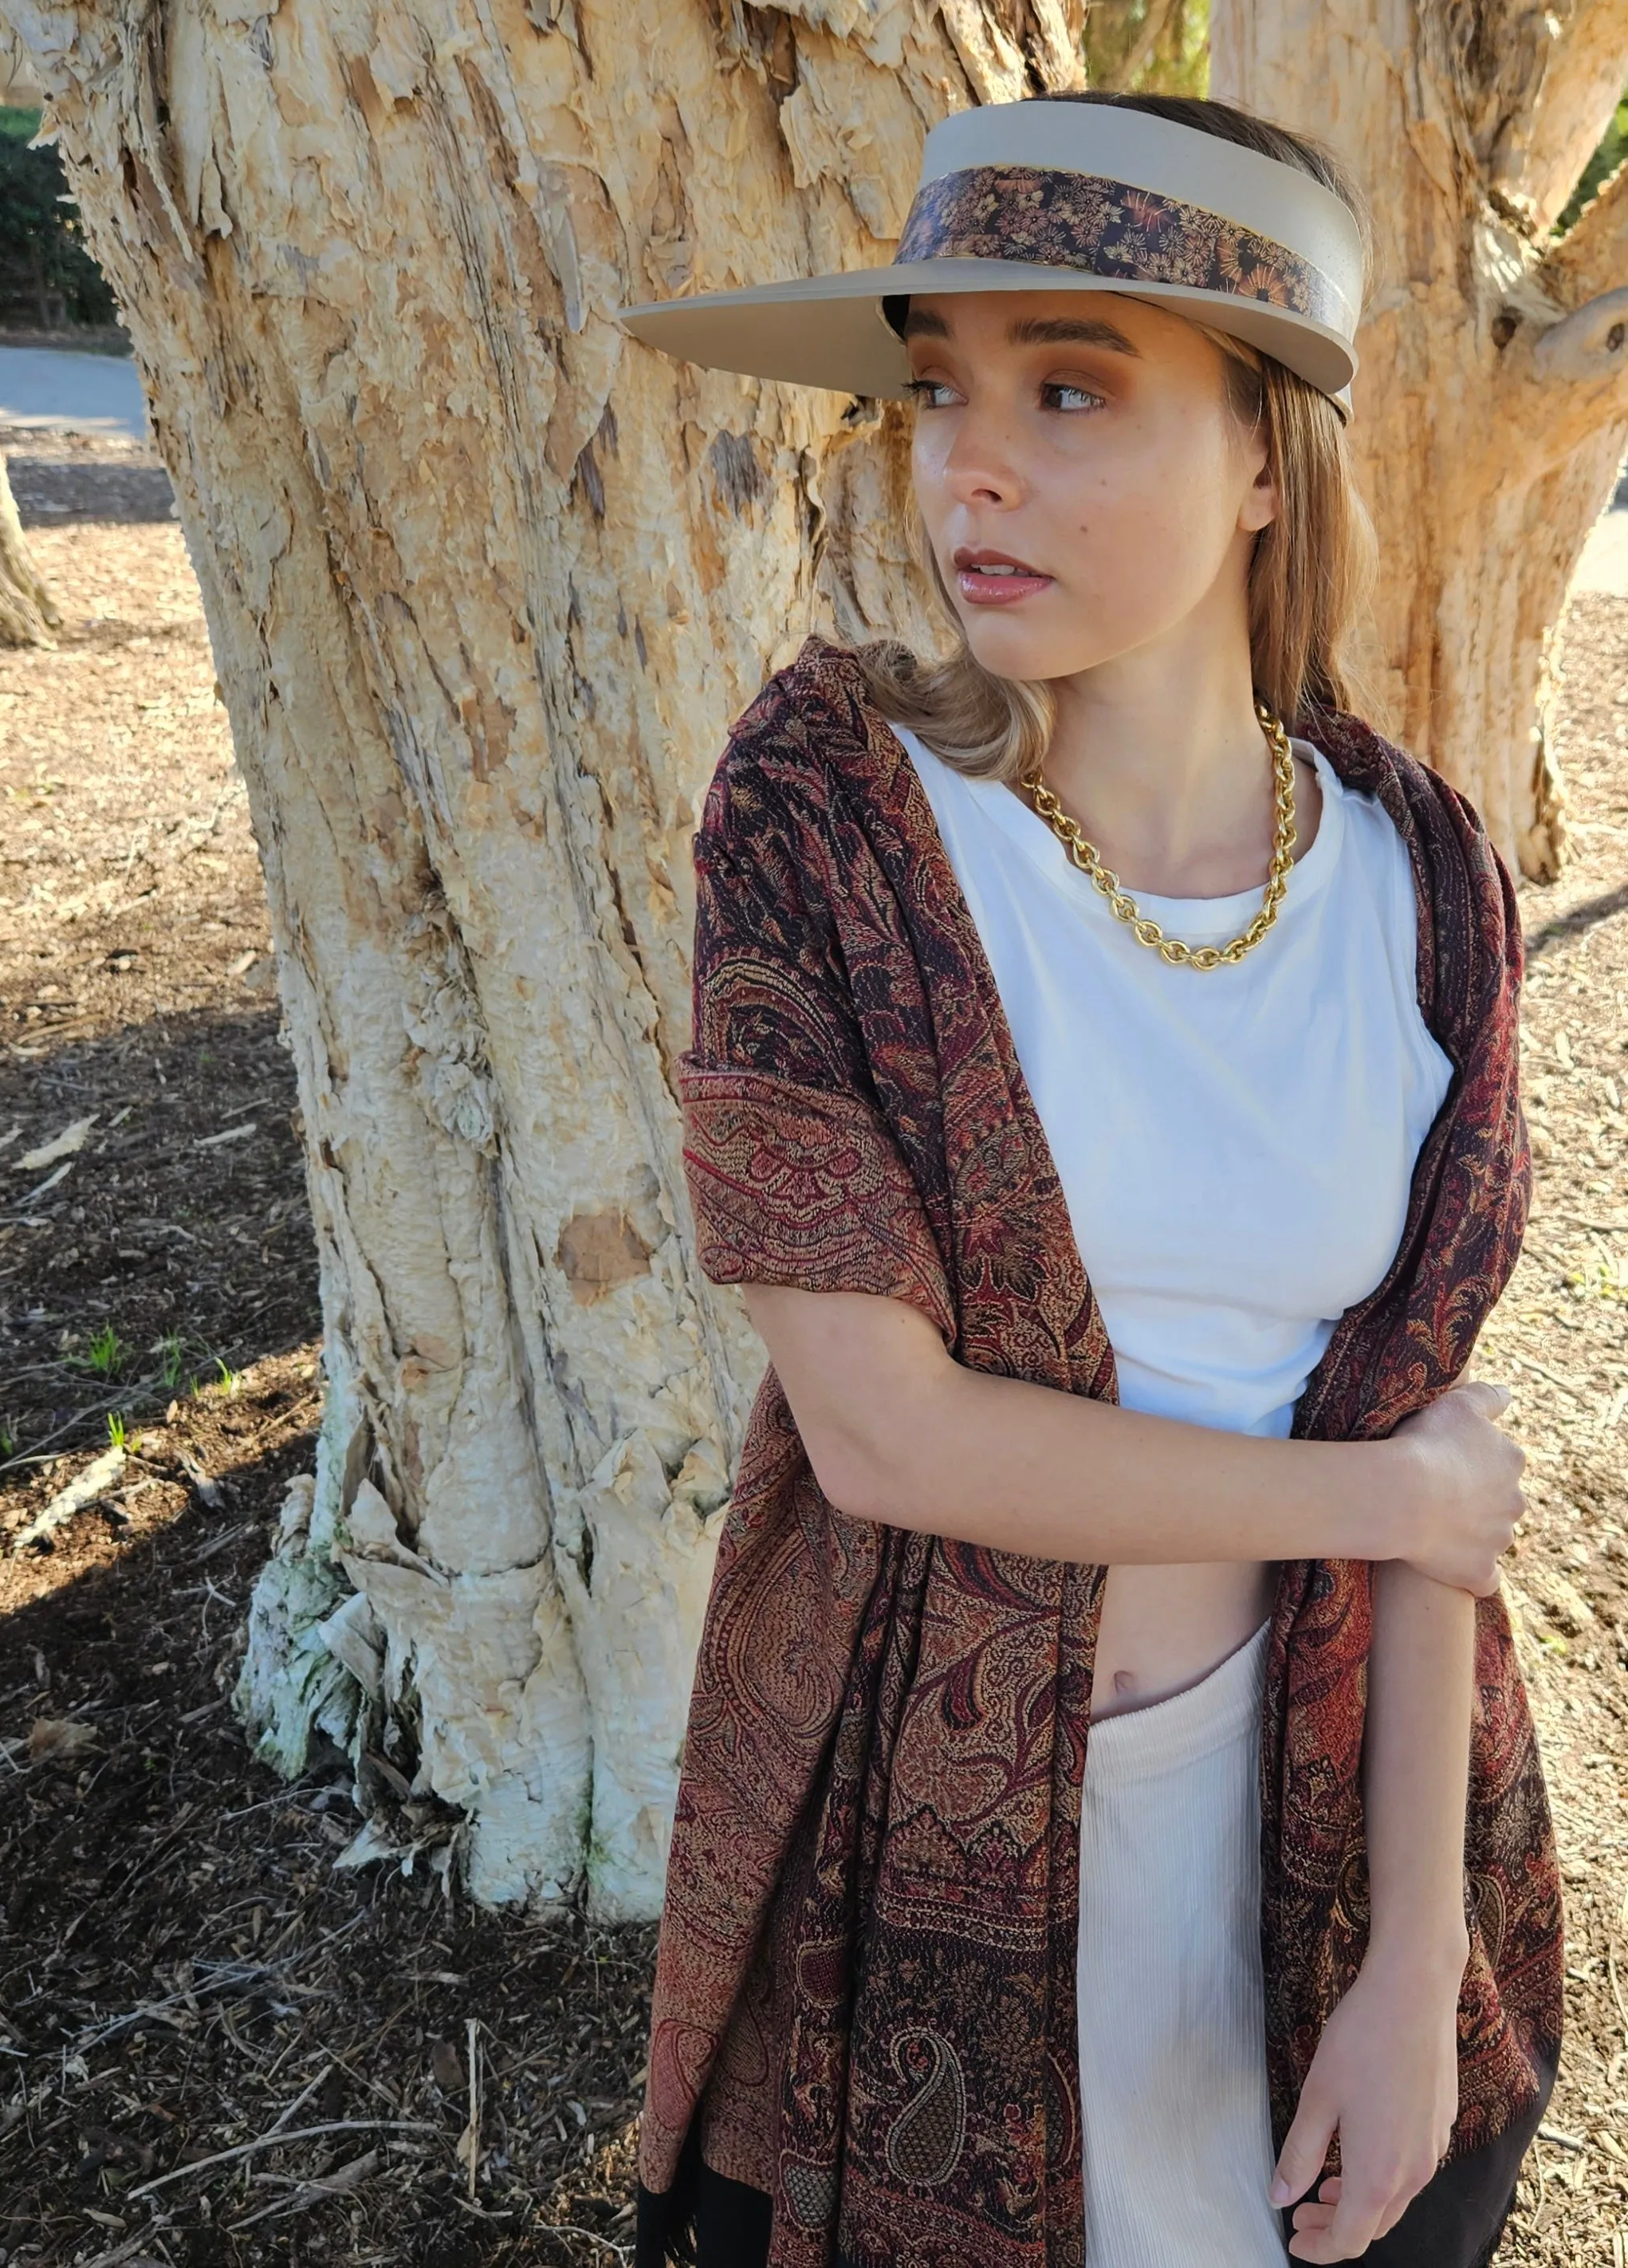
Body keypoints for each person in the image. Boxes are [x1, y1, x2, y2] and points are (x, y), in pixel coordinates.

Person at [616, 90, 1562, 2268]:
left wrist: (1413, 1959)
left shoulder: (1418, 880)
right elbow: (886, 1433)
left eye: (1069, 386)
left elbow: (1428, 1447)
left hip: (1327, 1838)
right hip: (915, 1879)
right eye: (936, 385)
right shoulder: (829, 811)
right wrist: (1382, 1501)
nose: (969, 459)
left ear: (1262, 458)